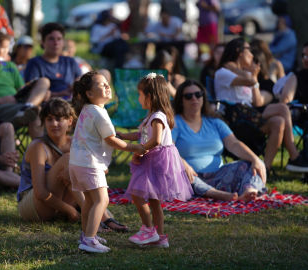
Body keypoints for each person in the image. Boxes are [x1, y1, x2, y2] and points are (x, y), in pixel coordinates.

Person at [17, 98, 130, 234]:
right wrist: (69, 210)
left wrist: (75, 171)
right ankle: (102, 219)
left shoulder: (77, 142)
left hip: (58, 204)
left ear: (70, 121)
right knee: (70, 160)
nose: (54, 124)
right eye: (49, 119)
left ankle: (101, 218)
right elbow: (40, 193)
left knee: (77, 168)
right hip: (34, 206)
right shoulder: (38, 146)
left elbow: (103, 170)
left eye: (59, 119)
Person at [70, 71, 147, 253]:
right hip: (89, 164)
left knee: (89, 201)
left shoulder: (87, 110)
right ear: (89, 94)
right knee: (102, 200)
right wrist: (134, 147)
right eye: (101, 84)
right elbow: (111, 140)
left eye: (107, 83)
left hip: (77, 163)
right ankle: (89, 240)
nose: (106, 86)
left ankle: (88, 234)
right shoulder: (99, 113)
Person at [117, 73, 193, 248]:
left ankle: (149, 230)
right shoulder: (151, 116)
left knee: (137, 194)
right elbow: (139, 134)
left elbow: (156, 140)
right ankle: (160, 238)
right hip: (153, 158)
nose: (138, 98)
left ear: (149, 97)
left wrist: (139, 150)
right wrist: (122, 135)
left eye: (140, 94)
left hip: (155, 159)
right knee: (154, 200)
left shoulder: (158, 116)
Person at [214, 38, 308, 173]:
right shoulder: (222, 73)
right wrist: (238, 70)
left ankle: (265, 169)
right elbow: (250, 81)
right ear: (239, 52)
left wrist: (253, 76)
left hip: (248, 115)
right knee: (282, 108)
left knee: (279, 121)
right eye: (249, 51)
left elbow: (258, 102)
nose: (252, 55)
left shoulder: (247, 74)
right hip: (234, 116)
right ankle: (294, 156)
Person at [172, 79, 267, 202]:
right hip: (189, 177)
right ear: (181, 101)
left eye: (198, 94)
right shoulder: (174, 123)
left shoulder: (215, 122)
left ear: (203, 97)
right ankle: (218, 195)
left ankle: (249, 192)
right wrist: (182, 163)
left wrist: (255, 159)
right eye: (188, 96)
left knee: (254, 163)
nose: (194, 98)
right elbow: (167, 148)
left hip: (218, 176)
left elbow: (234, 144)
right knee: (179, 172)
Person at [24, 23, 81, 99]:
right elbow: (31, 93)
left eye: (59, 39)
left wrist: (76, 85)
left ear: (63, 42)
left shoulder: (70, 61)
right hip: (47, 106)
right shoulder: (34, 63)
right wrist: (59, 94)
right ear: (43, 43)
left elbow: (80, 80)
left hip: (72, 102)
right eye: (51, 39)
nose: (56, 43)